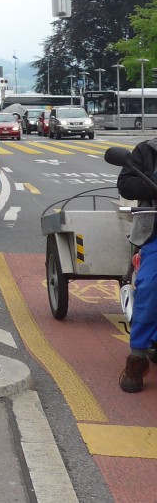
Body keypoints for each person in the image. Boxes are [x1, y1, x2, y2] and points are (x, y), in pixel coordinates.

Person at [116, 137, 157, 392]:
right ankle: (138, 357)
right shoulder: (147, 150)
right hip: (155, 232)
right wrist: (153, 187)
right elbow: (126, 185)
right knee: (151, 284)